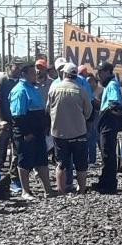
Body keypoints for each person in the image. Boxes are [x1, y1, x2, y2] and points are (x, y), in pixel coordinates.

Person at [10, 62, 54, 200]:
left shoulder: (33, 88)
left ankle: (48, 189)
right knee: (24, 160)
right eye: (32, 73)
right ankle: (25, 191)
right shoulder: (20, 90)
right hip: (26, 131)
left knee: (42, 160)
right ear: (24, 74)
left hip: (38, 130)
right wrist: (26, 132)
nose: (35, 75)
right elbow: (18, 115)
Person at [48, 63, 93, 194]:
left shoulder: (54, 89)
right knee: (81, 163)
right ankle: (82, 189)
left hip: (59, 132)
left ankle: (61, 190)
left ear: (64, 74)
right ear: (75, 75)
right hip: (78, 132)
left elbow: (48, 108)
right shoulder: (81, 90)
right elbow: (88, 112)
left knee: (61, 163)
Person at [94, 62, 122, 194]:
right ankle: (105, 180)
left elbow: (114, 103)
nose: (98, 75)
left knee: (108, 153)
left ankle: (110, 184)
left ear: (107, 71)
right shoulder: (109, 85)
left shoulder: (112, 85)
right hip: (107, 122)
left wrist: (107, 115)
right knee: (106, 152)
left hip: (109, 122)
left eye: (100, 72)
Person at [0, 61, 22, 191]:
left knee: (16, 151)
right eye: (16, 67)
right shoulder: (2, 80)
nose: (19, 69)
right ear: (10, 68)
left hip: (17, 120)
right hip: (4, 119)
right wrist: (1, 120)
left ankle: (14, 178)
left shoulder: (21, 81)